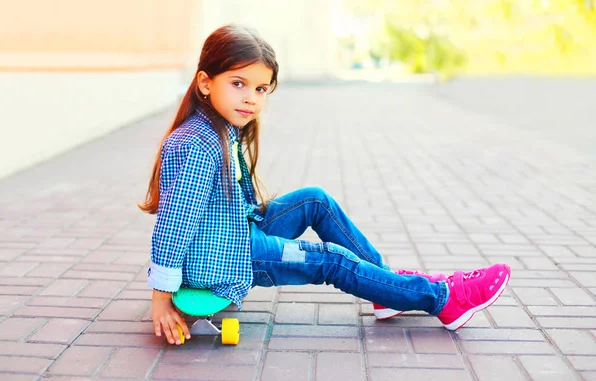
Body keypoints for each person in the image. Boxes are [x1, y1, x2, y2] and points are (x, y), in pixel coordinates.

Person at [139, 24, 511, 346]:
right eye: (238, 84)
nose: (251, 98)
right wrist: (162, 296)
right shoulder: (197, 146)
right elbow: (175, 223)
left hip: (231, 231)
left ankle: (385, 289)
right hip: (223, 257)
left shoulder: (218, 130)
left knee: (315, 200)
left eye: (261, 88)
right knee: (330, 260)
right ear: (205, 82)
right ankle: (442, 299)